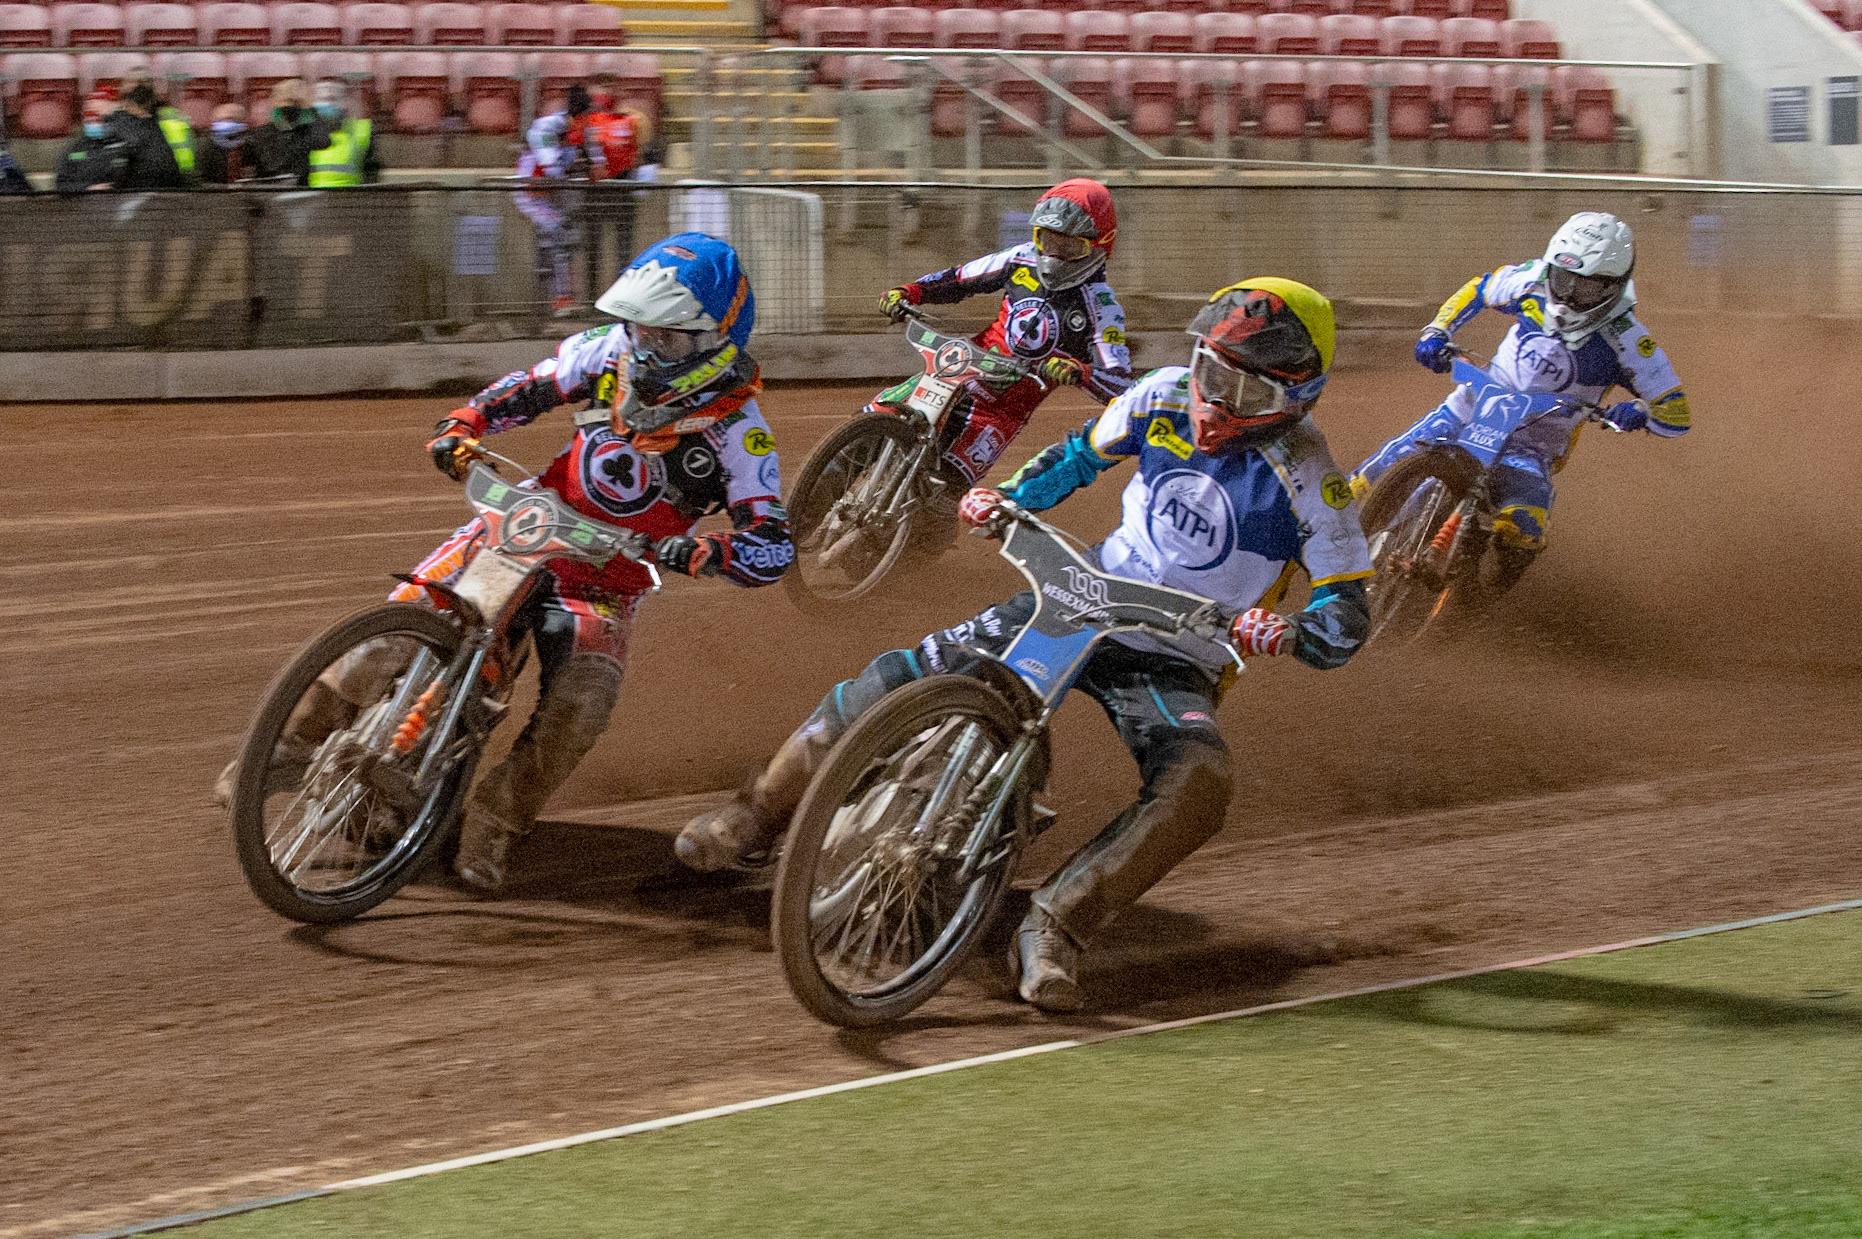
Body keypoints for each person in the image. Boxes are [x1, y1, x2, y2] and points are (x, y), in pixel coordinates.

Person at [677, 279, 1373, 1011]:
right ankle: (757, 811)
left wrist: (1293, 631)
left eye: (1247, 392)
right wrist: (1007, 496)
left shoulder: (1312, 482)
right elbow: (1076, 456)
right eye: (1211, 372)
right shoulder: (1161, 395)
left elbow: (1346, 609)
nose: (1218, 403)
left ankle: (1058, 923)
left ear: (1298, 398)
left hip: (1177, 651)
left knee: (1200, 784)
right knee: (903, 671)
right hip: (1082, 591)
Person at [214, 234, 791, 897]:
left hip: (606, 577)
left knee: (582, 703)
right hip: (528, 522)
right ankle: (286, 745)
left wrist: (710, 550)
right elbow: (533, 388)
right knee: (398, 627)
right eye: (640, 326)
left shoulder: (741, 434)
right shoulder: (611, 354)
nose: (646, 344)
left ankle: (494, 819)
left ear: (715, 340)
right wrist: (466, 420)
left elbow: (771, 543)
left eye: (667, 336)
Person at [1351, 211, 1690, 591]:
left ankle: (1483, 595)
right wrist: (1437, 330)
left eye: (1587, 288)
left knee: (1522, 530)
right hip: (1469, 409)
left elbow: (1676, 411)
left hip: (1533, 446)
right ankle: (1308, 551)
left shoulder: (1630, 341)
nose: (1569, 296)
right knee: (1367, 478)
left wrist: (1640, 412)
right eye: (1563, 280)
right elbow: (1480, 288)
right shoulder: (1533, 281)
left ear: (1613, 287)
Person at [871, 177, 1134, 545]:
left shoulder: (1102, 307)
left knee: (945, 494)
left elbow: (1122, 386)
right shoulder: (1019, 258)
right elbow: (960, 279)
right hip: (954, 371)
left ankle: (914, 551)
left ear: (1098, 246)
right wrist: (911, 291)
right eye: (1048, 239)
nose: (1054, 254)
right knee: (874, 417)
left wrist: (1082, 372)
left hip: (999, 411)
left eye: (1069, 245)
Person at [518, 85, 596, 316]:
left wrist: (593, 164)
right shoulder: (548, 126)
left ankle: (556, 297)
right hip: (532, 193)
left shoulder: (583, 128)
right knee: (557, 233)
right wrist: (558, 166)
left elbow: (594, 157)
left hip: (553, 195)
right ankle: (557, 299)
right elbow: (549, 164)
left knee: (564, 239)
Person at [578, 80, 643, 293]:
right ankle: (591, 296)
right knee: (594, 247)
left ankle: (618, 295)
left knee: (622, 249)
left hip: (619, 191)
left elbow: (635, 154)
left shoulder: (628, 121)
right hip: (599, 193)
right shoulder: (592, 121)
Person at [108, 67, 191, 189]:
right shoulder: (113, 123)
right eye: (133, 82)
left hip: (172, 191)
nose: (138, 87)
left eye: (143, 82)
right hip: (127, 195)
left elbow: (187, 165)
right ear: (122, 88)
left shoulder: (170, 119)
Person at [307, 78, 380, 187]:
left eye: (332, 99)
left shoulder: (362, 130)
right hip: (313, 197)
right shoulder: (306, 131)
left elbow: (371, 170)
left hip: (349, 196)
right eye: (322, 99)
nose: (328, 104)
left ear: (345, 102)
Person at [54, 91, 128, 195]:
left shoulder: (125, 144)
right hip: (84, 205)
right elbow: (61, 185)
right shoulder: (76, 149)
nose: (93, 123)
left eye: (98, 119)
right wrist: (87, 189)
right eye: (89, 119)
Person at [249, 79, 319, 186]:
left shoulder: (260, 134)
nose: (290, 107)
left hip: (277, 193)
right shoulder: (311, 132)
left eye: (294, 102)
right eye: (287, 101)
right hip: (295, 193)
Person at [195, 102, 253, 185]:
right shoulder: (205, 145)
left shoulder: (249, 144)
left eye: (234, 119)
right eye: (224, 119)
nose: (228, 123)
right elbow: (198, 179)